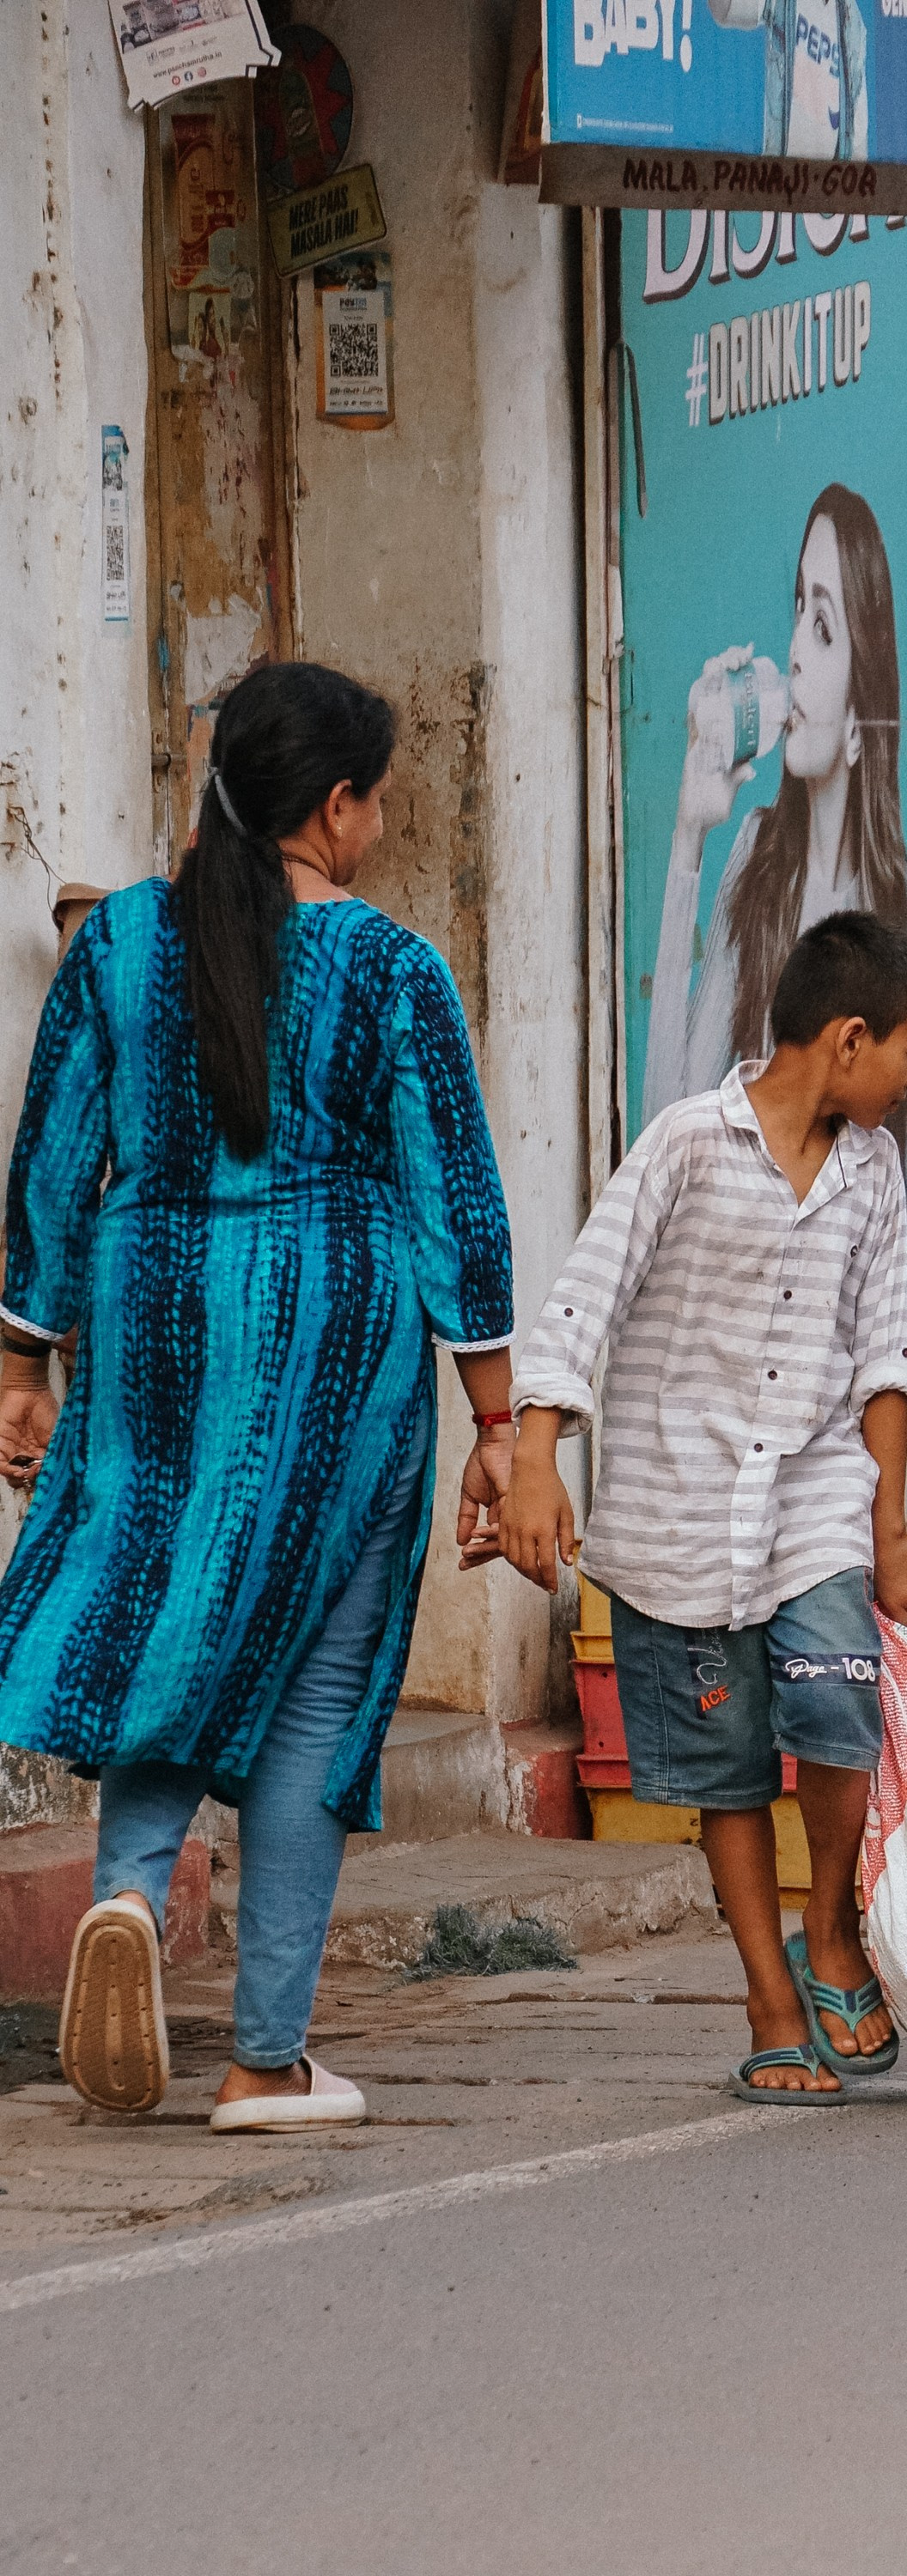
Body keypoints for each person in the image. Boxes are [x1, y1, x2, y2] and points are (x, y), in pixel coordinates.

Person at [0, 661, 515, 2132]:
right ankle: (266, 2055)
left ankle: (125, 1900)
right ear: (337, 808)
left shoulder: (122, 950)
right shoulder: (392, 970)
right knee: (312, 1695)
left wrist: (23, 1360)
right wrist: (500, 1422)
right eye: (378, 801)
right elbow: (455, 1208)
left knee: (169, 1628)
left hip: (150, 1309)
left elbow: (52, 1157)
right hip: (332, 1332)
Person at [504, 909, 907, 2100]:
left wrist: (889, 1535)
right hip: (677, 1518)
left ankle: (834, 1922)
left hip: (815, 1501)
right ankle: (766, 1992)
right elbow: (585, 1296)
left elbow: (885, 1352)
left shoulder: (873, 1170)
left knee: (842, 1709)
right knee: (726, 1770)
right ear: (849, 1041)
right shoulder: (686, 1144)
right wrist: (535, 1451)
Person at [643, 484, 907, 1129]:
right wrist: (689, 837)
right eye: (798, 608)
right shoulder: (763, 859)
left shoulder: (880, 916)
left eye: (821, 628)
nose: (791, 649)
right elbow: (665, 1119)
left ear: (856, 722)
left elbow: (895, 1194)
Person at [709, 0, 869, 164]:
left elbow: (858, 143)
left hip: (829, 182)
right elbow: (727, 9)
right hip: (780, 175)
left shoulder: (853, 21)